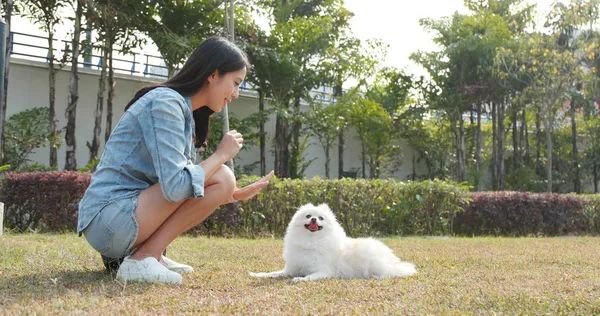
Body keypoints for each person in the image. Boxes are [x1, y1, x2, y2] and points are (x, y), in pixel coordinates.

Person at [77, 36, 274, 284]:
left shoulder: (183, 112)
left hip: (121, 221)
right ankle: (143, 258)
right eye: (235, 83)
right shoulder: (166, 103)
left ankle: (148, 255)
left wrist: (230, 194)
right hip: (110, 220)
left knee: (222, 179)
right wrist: (221, 155)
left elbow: (184, 186)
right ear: (213, 74)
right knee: (222, 174)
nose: (235, 94)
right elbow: (176, 186)